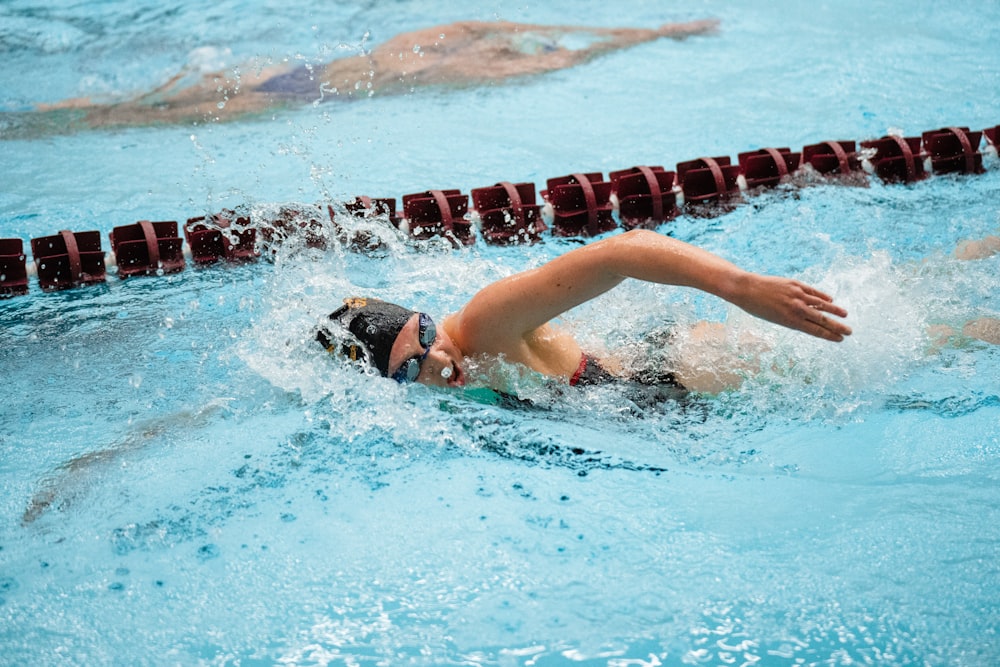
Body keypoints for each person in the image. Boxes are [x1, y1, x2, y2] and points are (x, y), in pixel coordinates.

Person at [317, 229, 855, 395]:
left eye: (427, 334)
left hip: (684, 367)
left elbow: (618, 253)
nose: (437, 360)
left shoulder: (484, 321)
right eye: (411, 369)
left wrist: (740, 286)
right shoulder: (449, 386)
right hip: (658, 396)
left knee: (875, 352)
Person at [31, 19, 719, 131]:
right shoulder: (494, 65)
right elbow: (585, 50)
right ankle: (32, 129)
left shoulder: (457, 32)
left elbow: (576, 36)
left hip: (299, 72)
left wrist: (649, 30)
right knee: (143, 117)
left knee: (139, 103)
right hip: (318, 92)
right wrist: (658, 35)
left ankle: (35, 119)